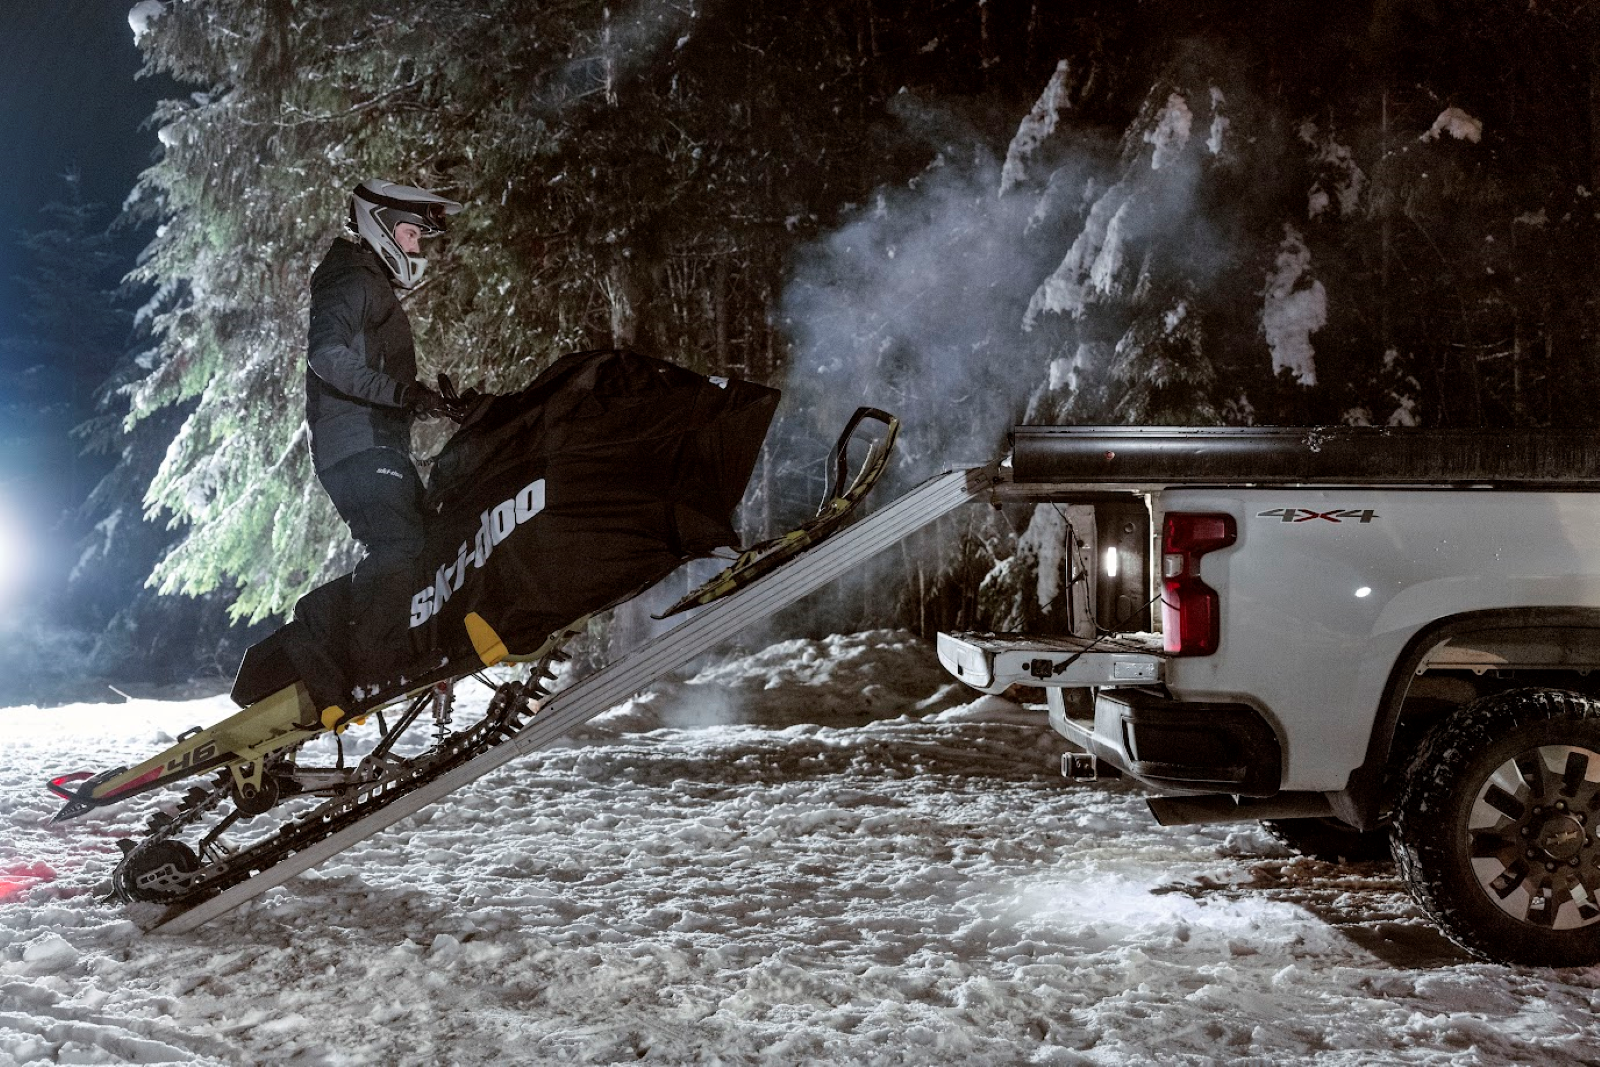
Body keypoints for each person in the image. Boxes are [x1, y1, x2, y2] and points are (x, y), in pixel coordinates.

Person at [304, 178, 466, 695]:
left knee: (426, 543)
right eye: (412, 234)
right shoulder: (351, 277)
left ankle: (413, 653)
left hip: (373, 442)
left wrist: (422, 401)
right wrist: (401, 394)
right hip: (354, 443)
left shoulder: (366, 280)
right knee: (399, 542)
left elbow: (375, 375)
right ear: (382, 225)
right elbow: (326, 355)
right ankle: (371, 669)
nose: (417, 248)